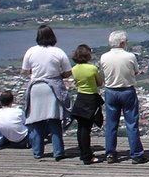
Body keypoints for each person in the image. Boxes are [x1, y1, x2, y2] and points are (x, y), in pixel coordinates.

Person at [21, 24, 71, 161]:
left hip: (36, 88)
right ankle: (58, 152)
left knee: (37, 120)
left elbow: (24, 71)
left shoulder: (31, 51)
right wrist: (58, 75)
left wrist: (35, 72)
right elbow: (68, 72)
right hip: (53, 87)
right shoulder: (58, 52)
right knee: (54, 120)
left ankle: (37, 152)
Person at [99, 30, 146, 164]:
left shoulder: (104, 57)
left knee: (111, 124)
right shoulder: (130, 56)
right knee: (131, 124)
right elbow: (136, 71)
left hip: (111, 91)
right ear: (123, 42)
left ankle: (110, 153)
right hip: (127, 90)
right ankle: (136, 154)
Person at [70, 44, 104, 165]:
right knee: (86, 129)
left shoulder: (74, 69)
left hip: (80, 98)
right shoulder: (92, 68)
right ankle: (87, 156)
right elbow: (100, 83)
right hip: (91, 99)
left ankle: (83, 152)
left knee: (81, 128)